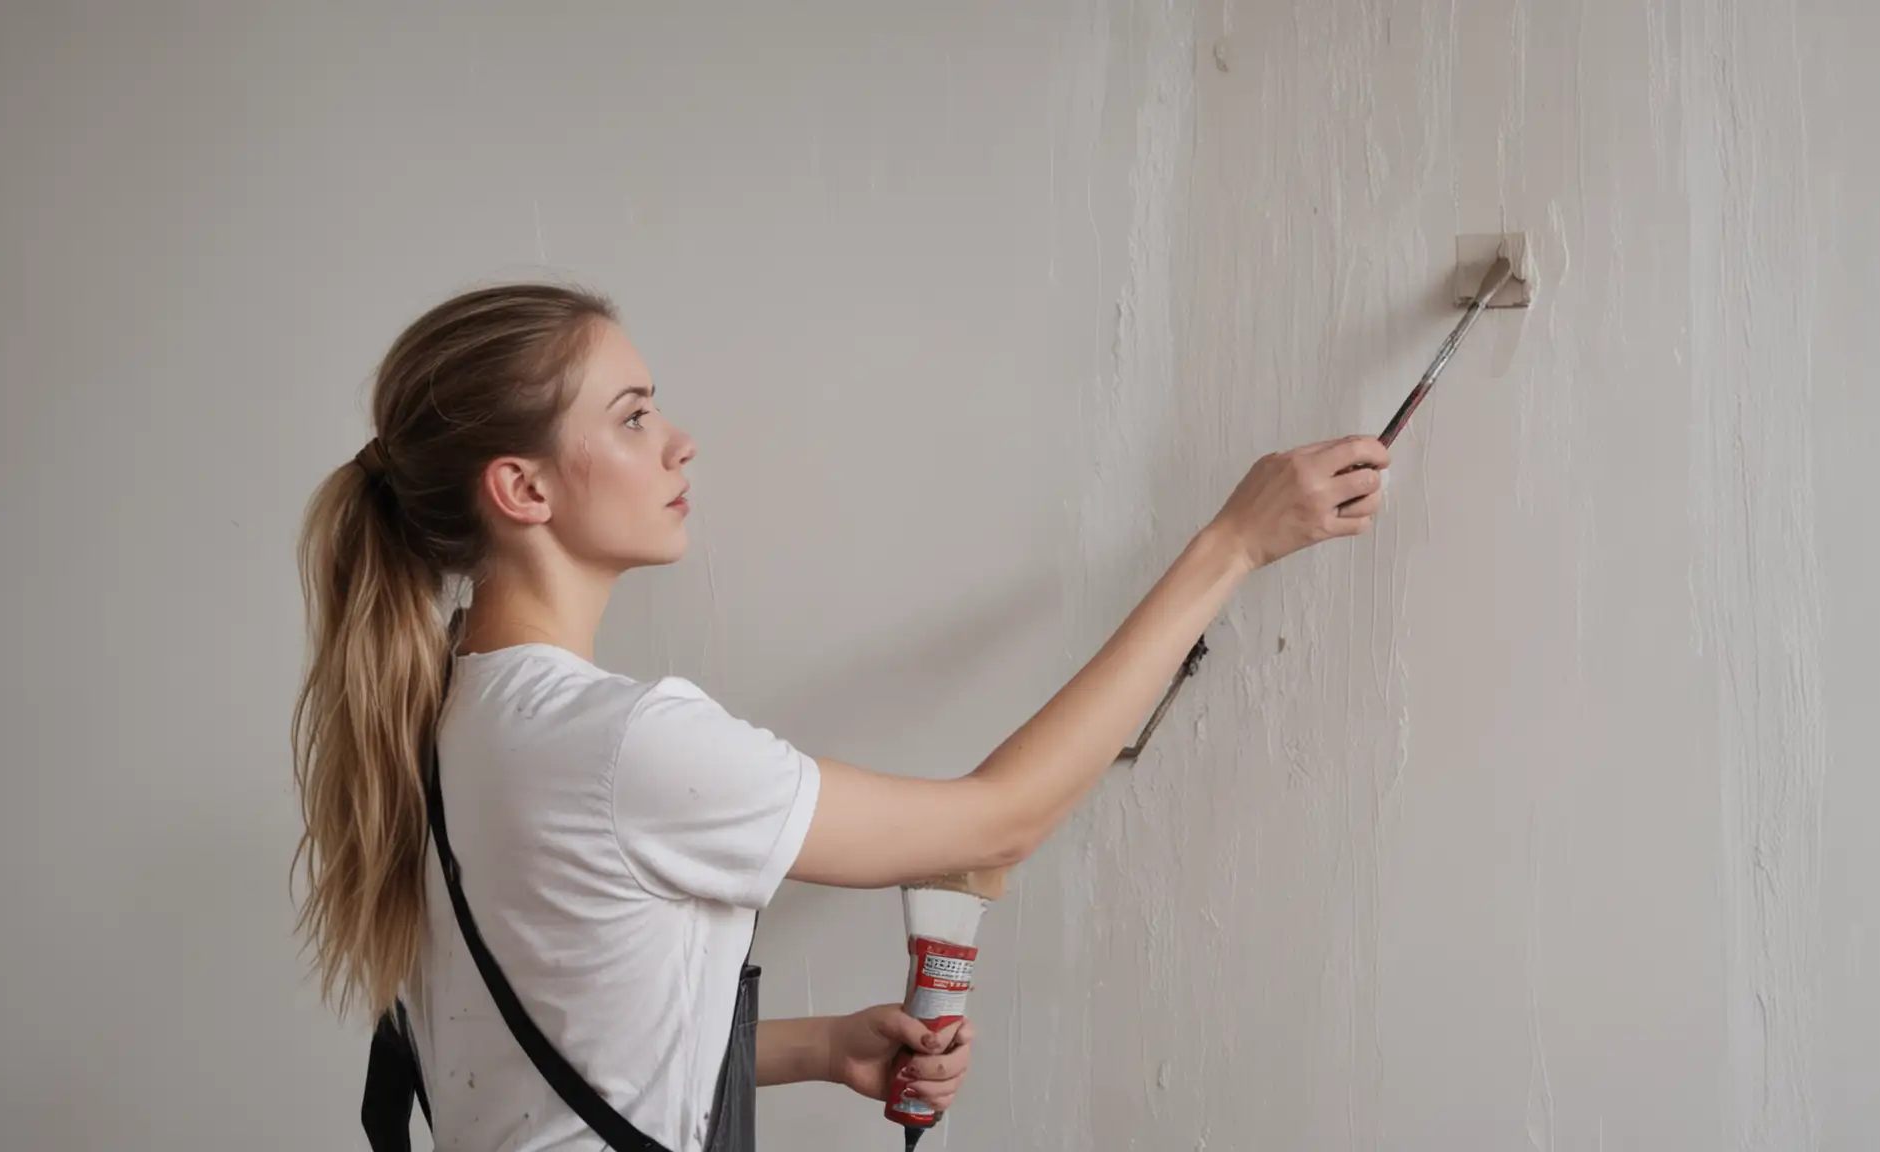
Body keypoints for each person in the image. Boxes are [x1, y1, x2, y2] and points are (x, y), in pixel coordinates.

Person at [291, 282, 1389, 1150]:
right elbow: (994, 825)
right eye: (631, 417)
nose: (680, 442)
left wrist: (817, 1048)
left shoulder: (451, 717)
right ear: (522, 490)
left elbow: (552, 1032)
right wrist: (1233, 545)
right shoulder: (623, 745)